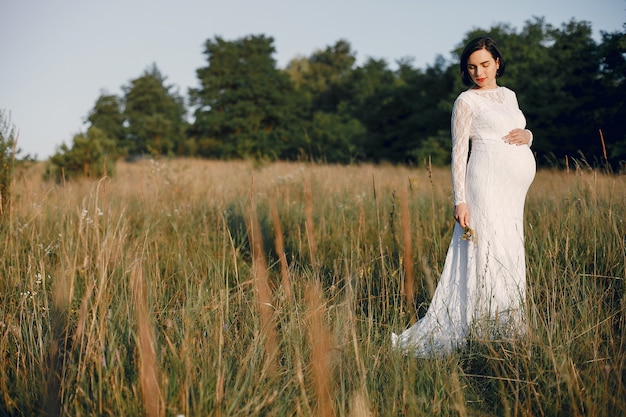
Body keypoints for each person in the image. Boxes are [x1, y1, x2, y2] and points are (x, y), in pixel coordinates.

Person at [392, 36, 536, 357]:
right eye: (472, 67)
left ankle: (506, 323)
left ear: (497, 62)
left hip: (513, 192)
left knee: (509, 248)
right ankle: (480, 324)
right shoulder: (466, 101)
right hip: (484, 183)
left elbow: (519, 129)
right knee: (486, 248)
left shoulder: (509, 95)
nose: (479, 72)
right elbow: (459, 152)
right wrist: (460, 199)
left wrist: (529, 135)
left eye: (485, 64)